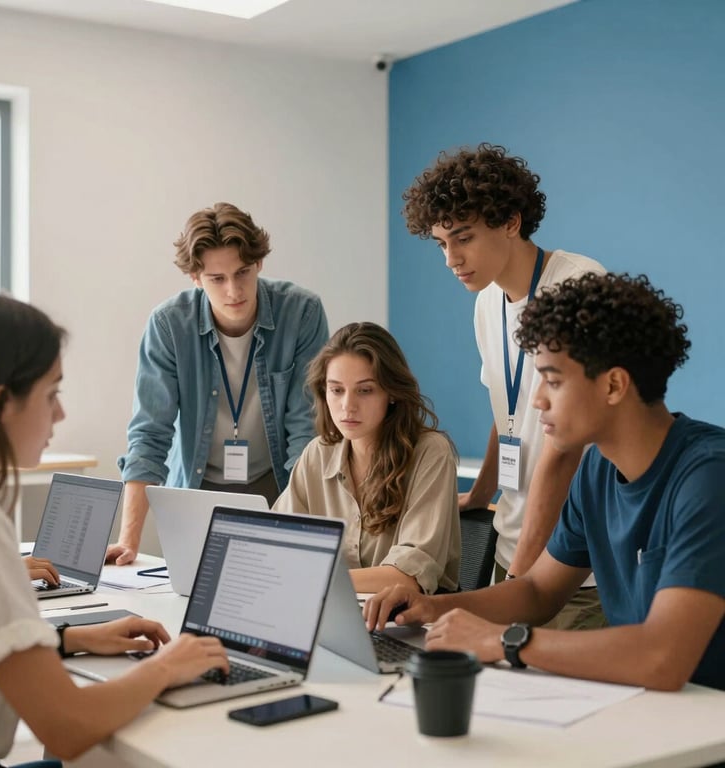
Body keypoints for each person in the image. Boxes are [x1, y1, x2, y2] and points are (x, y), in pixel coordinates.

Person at [364, 272, 725, 692]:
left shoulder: (708, 476)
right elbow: (538, 591)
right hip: (658, 709)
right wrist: (431, 608)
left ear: (613, 385)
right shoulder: (597, 468)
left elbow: (663, 657)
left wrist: (503, 641)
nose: (537, 401)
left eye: (552, 381)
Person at [0, 290, 229, 766]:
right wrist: (166, 667)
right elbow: (68, 725)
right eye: (51, 394)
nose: (60, 414)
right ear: (2, 403)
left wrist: (71, 638)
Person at [402, 143, 606, 628]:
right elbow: (509, 411)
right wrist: (482, 492)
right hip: (512, 547)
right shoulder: (486, 302)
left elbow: (565, 448)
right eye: (441, 243)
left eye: (463, 238)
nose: (451, 259)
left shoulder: (578, 286)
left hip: (569, 568)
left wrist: (518, 581)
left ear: (511, 222)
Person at [108, 203, 329, 565]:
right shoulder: (169, 325)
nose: (233, 290)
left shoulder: (301, 312)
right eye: (217, 279)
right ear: (195, 277)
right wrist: (127, 541)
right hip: (197, 490)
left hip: (278, 485)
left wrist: (300, 531)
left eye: (242, 272)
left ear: (259, 263)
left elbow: (306, 430)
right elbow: (149, 435)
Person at [273, 322, 460, 594]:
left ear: (392, 392)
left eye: (365, 390)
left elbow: (407, 577)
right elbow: (278, 545)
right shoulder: (317, 453)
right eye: (337, 390)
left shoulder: (431, 453)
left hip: (411, 614)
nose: (347, 406)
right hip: (334, 607)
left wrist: (315, 580)